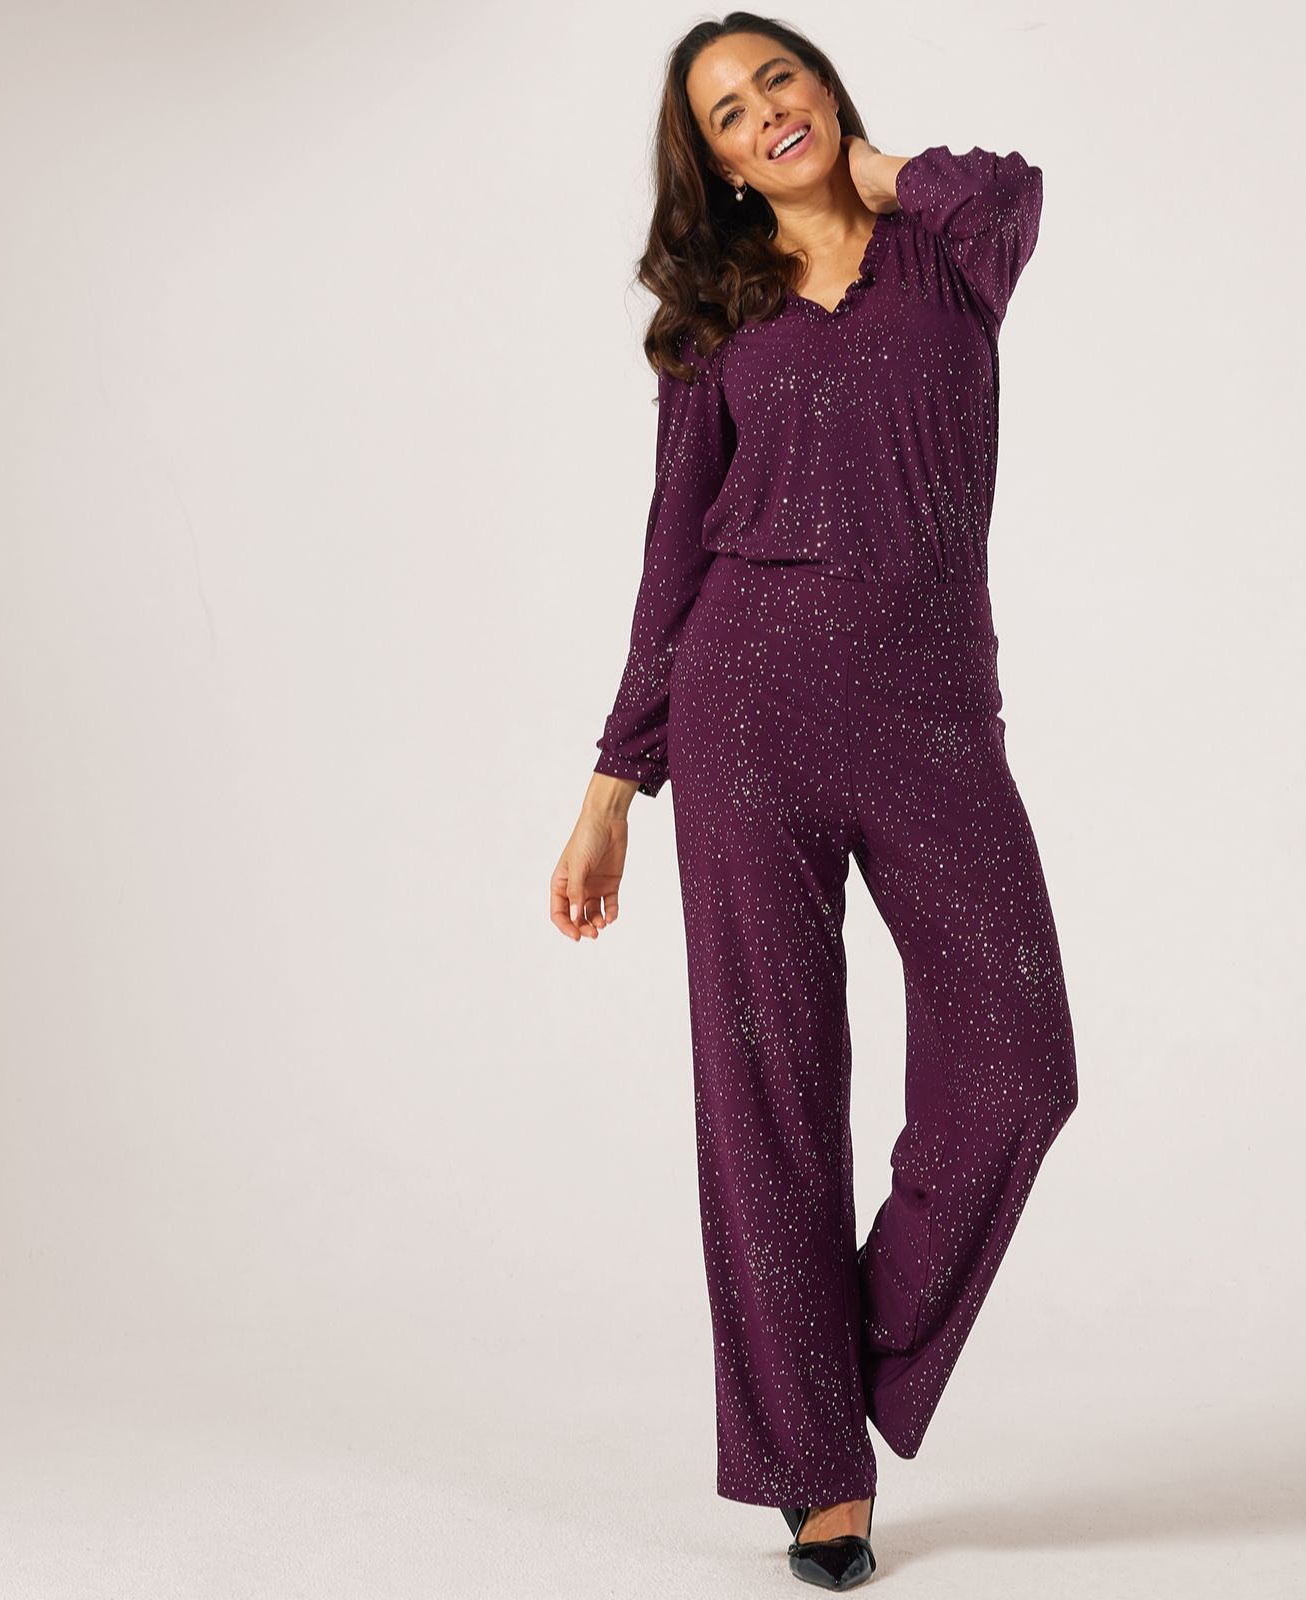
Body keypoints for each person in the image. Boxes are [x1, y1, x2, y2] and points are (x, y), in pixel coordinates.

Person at [549, 14, 1079, 1591]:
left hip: (934, 723)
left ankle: (824, 1367)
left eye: (776, 78)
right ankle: (816, 1477)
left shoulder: (952, 251)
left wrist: (867, 167)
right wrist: (614, 780)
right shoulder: (716, 319)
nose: (761, 114)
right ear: (710, 163)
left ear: (825, 84)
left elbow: (1011, 183)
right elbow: (673, 550)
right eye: (727, 113)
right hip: (747, 712)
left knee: (1019, 1070)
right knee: (770, 1089)